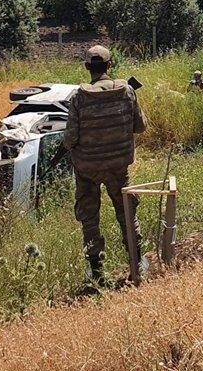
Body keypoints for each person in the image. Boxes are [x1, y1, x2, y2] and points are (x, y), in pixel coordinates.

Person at [62, 44, 147, 285]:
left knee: (90, 218)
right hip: (118, 168)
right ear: (110, 65)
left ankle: (97, 273)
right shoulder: (127, 91)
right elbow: (141, 127)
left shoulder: (79, 98)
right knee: (127, 213)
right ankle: (137, 263)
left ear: (87, 67)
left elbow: (70, 139)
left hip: (87, 170)